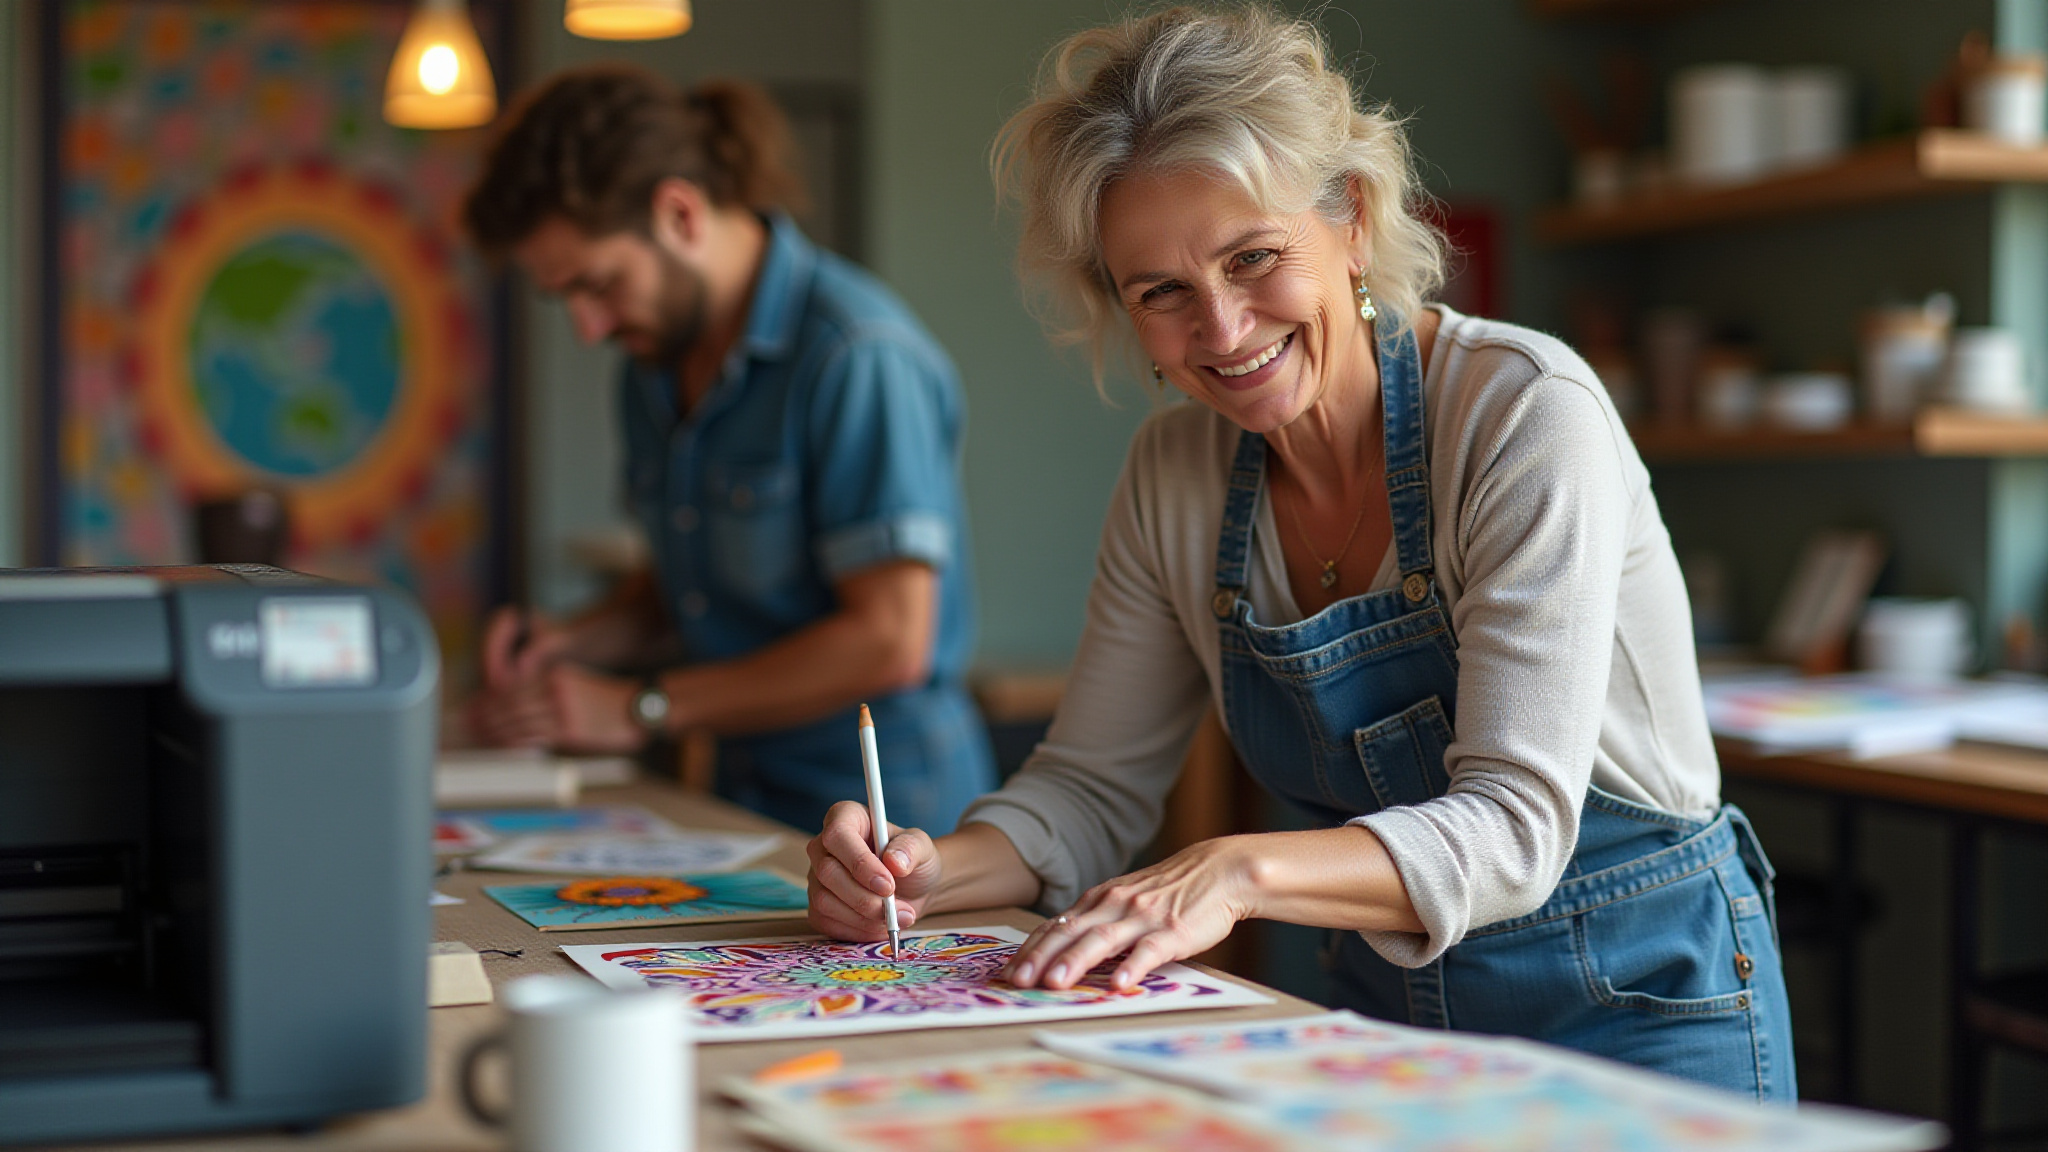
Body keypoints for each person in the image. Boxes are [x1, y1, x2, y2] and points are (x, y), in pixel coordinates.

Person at [805, 5, 1794, 1100]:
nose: (1221, 329)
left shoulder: (1522, 411)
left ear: (1353, 222)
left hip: (1642, 1007)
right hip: (1387, 1028)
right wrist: (924, 874)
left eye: (1253, 257)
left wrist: (1234, 870)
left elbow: (1514, 831)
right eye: (1161, 292)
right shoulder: (1170, 475)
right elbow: (1087, 792)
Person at [461, 67, 996, 834]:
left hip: (892, 815)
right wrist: (569, 642)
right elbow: (688, 583)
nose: (587, 327)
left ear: (679, 213)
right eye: (565, 299)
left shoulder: (856, 354)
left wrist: (641, 706)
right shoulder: (651, 369)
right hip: (741, 798)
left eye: (599, 285)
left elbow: (889, 641)